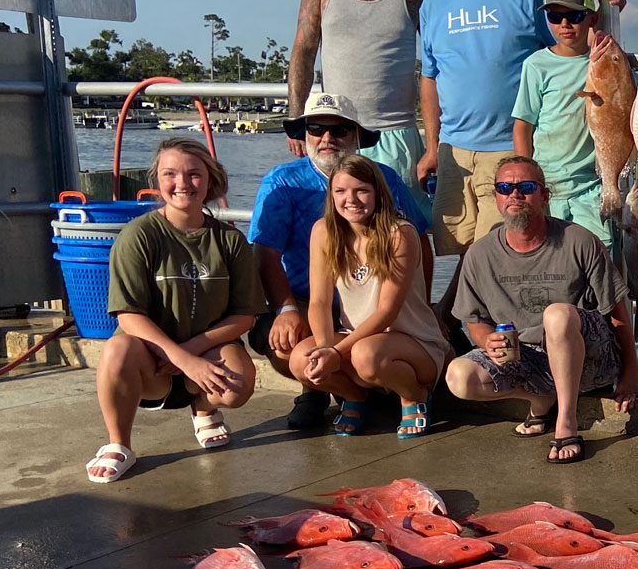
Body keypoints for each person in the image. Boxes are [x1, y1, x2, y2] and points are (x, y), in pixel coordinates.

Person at [415, 0, 626, 266]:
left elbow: (573, 48)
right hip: (453, 153)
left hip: (506, 151)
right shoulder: (432, 4)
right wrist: (432, 148)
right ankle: (451, 323)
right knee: (453, 251)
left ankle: (465, 319)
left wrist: (608, 10)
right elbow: (430, 77)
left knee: (497, 256)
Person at [248, 91, 433, 429]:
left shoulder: (387, 178)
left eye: (340, 131)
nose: (327, 138)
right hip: (306, 300)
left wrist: (425, 302)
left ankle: (400, 389)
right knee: (288, 342)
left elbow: (420, 238)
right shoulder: (282, 182)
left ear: (357, 136)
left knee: (367, 351)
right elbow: (265, 253)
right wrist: (287, 310)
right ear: (304, 135)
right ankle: (321, 390)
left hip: (372, 301)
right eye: (316, 128)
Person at [444, 156, 638, 463]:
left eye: (525, 186)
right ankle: (540, 396)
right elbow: (474, 321)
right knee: (458, 376)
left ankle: (565, 422)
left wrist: (632, 371)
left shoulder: (579, 240)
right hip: (527, 359)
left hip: (588, 361)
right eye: (504, 187)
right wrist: (486, 341)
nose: (514, 194)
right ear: (496, 196)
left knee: (557, 315)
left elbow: (616, 309)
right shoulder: (479, 253)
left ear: (544, 196)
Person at [86, 139, 262, 483]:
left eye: (194, 174)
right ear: (157, 181)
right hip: (152, 357)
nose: (182, 184)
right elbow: (127, 314)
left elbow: (244, 316)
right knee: (117, 350)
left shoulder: (230, 240)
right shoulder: (138, 236)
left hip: (205, 350)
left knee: (237, 385)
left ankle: (205, 408)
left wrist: (191, 353)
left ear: (210, 181)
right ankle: (118, 443)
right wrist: (177, 356)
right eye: (170, 174)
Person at [289, 155, 451, 439]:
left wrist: (337, 353)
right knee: (301, 359)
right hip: (355, 337)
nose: (351, 199)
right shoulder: (323, 232)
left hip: (412, 342)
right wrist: (326, 347)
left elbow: (386, 311)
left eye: (361, 190)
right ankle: (355, 397)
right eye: (340, 191)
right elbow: (319, 302)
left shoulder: (400, 234)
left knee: (366, 355)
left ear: (378, 192)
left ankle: (414, 395)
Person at [286, 0, 429, 180]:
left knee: (399, 220)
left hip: (396, 134)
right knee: (337, 219)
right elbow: (303, 53)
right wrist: (296, 121)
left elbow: (438, 61)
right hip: (335, 134)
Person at [512, 0, 614, 243]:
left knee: (598, 254)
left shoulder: (603, 60)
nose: (565, 25)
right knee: (548, 256)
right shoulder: (536, 64)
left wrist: (611, 6)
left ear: (591, 18)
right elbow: (523, 125)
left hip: (592, 187)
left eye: (574, 15)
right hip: (547, 186)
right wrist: (528, 181)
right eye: (555, 17)